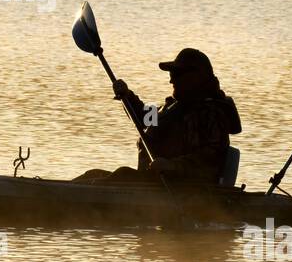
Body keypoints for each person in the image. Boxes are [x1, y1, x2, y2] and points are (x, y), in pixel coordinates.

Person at [76, 48, 241, 185]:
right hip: (156, 183)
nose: (171, 80)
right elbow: (144, 118)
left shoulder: (211, 113)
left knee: (123, 174)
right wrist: (127, 96)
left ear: (195, 77)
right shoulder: (173, 106)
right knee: (94, 173)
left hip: (185, 189)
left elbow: (210, 158)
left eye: (176, 74)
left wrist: (172, 166)